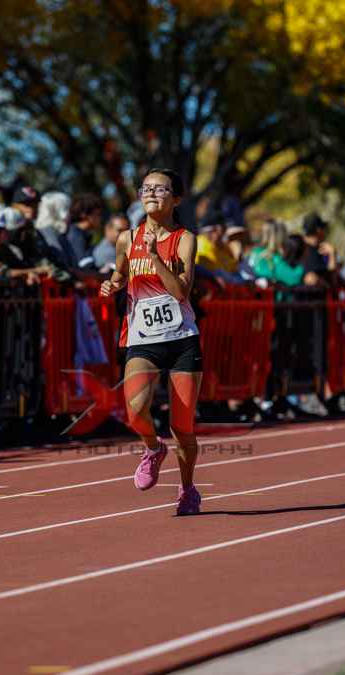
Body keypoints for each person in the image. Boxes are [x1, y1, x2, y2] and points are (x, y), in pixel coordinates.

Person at [100, 168, 203, 515]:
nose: (152, 194)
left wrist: (156, 257)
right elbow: (120, 271)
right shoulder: (127, 238)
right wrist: (113, 284)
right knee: (135, 409)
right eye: (146, 189)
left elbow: (181, 292)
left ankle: (187, 488)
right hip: (143, 337)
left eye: (161, 189)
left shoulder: (185, 239)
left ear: (177, 199)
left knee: (182, 426)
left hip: (182, 339)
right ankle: (153, 448)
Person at [66, 193, 102, 269]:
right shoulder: (75, 236)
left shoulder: (83, 234)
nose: (100, 218)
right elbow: (84, 264)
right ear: (84, 214)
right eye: (98, 214)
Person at [301, 212, 336, 283]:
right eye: (323, 228)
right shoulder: (311, 252)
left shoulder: (300, 246)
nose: (324, 232)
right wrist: (332, 254)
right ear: (318, 230)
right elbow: (331, 275)